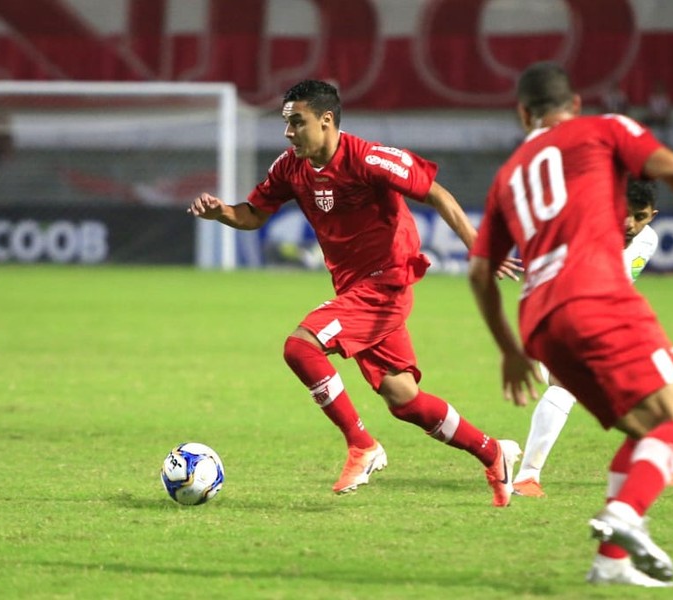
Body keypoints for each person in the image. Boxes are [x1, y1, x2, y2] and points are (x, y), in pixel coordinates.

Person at [467, 62, 673, 586]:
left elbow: (481, 271)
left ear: (523, 112)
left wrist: (509, 349)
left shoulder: (508, 176)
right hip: (595, 296)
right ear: (575, 104)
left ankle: (609, 564)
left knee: (642, 429)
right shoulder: (604, 128)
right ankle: (623, 517)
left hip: (540, 320)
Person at [188, 79, 523, 506]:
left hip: (387, 282)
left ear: (326, 120)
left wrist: (477, 247)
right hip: (353, 289)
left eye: (297, 122)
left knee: (300, 346)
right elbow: (253, 214)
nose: (288, 132)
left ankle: (361, 444)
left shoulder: (370, 158)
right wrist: (224, 214)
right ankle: (494, 453)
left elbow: (436, 193)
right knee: (403, 398)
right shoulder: (290, 167)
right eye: (286, 123)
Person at [511, 178, 673, 498]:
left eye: (640, 216)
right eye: (623, 212)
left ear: (653, 215)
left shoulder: (647, 241)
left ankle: (656, 462)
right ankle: (527, 477)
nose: (630, 223)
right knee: (564, 387)